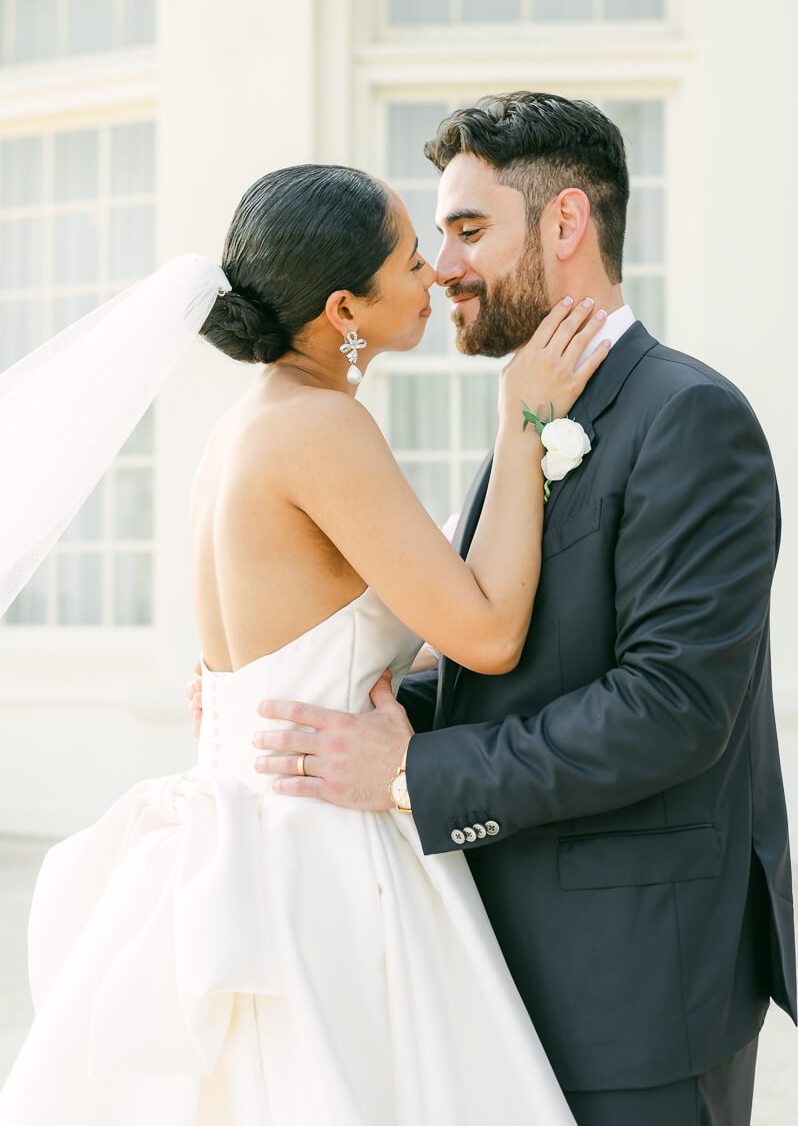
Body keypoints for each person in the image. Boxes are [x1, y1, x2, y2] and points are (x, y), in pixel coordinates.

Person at [205, 93, 796, 1126]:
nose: (443, 265)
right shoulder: (532, 405)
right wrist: (394, 712)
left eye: (469, 229)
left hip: (636, 995)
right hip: (491, 969)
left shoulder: (690, 416)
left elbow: (670, 710)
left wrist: (406, 770)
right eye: (434, 236)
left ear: (566, 225)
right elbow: (511, 663)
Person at [0, 162, 610, 1124]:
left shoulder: (247, 425)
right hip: (320, 849)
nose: (437, 274)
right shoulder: (324, 427)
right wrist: (525, 421)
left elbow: (317, 638)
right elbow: (488, 633)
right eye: (412, 260)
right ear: (344, 309)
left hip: (245, 823)